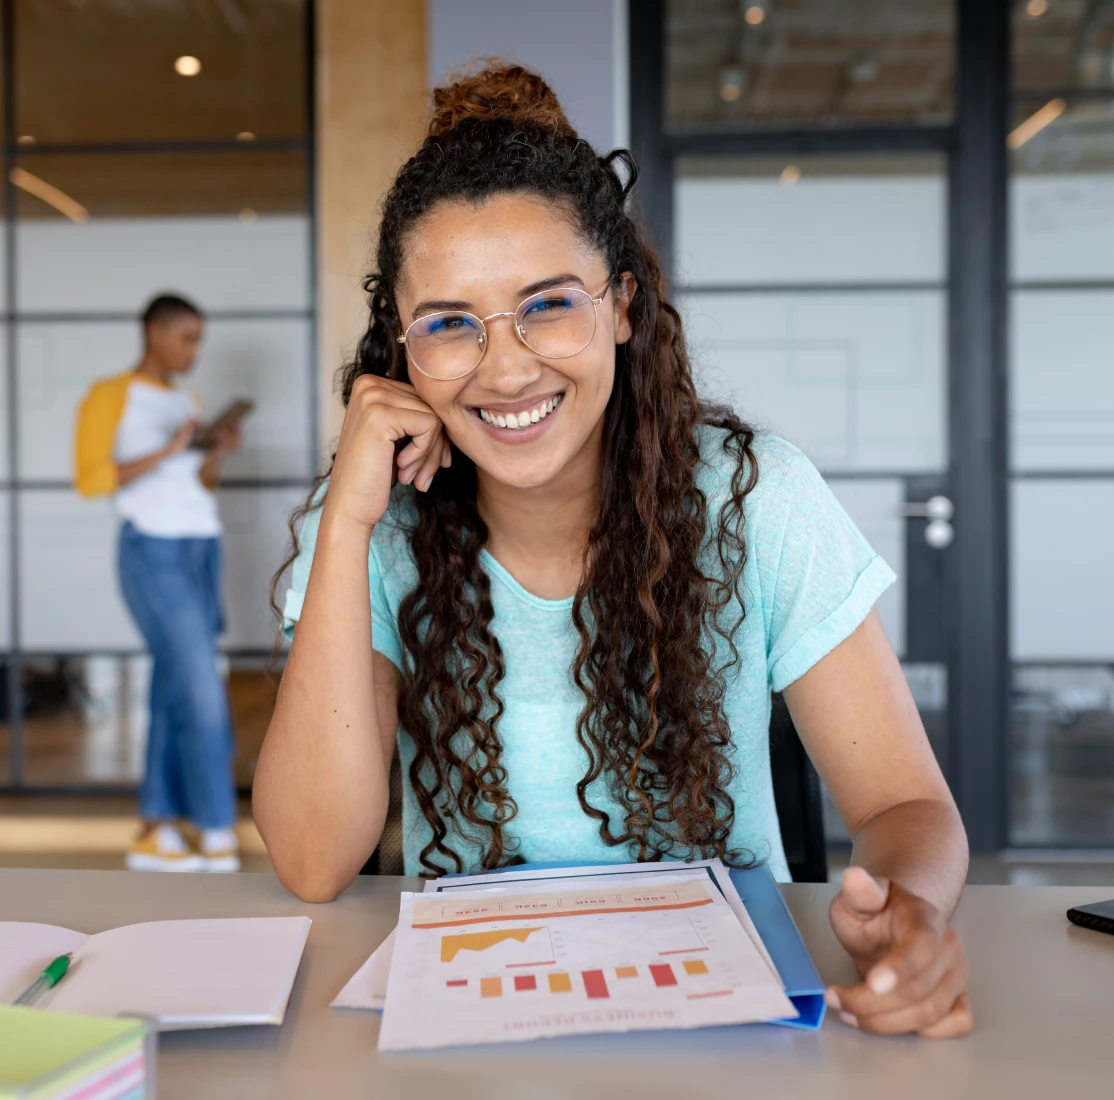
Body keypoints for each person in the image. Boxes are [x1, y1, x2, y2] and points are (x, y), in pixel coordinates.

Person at [254, 65, 972, 1038]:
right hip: (471, 1029)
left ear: (622, 306)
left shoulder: (753, 498)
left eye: (548, 303)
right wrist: (344, 520)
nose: (506, 365)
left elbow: (901, 801)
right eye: (451, 323)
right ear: (403, 347)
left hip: (726, 1027)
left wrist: (909, 912)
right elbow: (310, 856)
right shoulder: (379, 525)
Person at [74, 294, 242, 873]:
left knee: (176, 685)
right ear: (155, 333)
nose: (196, 350)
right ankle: (216, 824)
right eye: (188, 338)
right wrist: (166, 448)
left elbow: (198, 485)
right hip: (152, 549)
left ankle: (155, 827)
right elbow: (91, 478)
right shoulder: (110, 396)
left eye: (200, 339)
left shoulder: (186, 399)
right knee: (200, 682)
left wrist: (214, 453)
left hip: (202, 546)